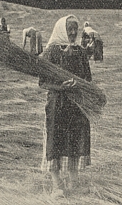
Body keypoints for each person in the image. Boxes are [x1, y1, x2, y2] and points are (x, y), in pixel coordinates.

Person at [39, 15, 92, 198]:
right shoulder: (52, 51)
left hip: (76, 105)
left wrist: (80, 86)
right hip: (57, 104)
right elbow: (42, 82)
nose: (72, 32)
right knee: (56, 140)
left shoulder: (80, 51)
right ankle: (57, 185)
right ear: (61, 29)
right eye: (69, 29)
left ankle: (73, 183)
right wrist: (61, 87)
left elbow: (88, 78)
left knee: (75, 140)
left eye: (75, 29)